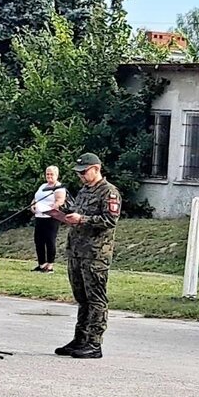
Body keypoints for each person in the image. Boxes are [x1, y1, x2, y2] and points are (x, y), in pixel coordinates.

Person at [54, 153, 121, 359]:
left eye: (84, 172)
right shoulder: (84, 190)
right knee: (81, 298)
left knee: (96, 299)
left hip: (95, 253)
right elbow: (77, 211)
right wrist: (63, 210)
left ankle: (94, 343)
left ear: (96, 169)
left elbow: (110, 220)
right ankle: (80, 339)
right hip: (77, 251)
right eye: (79, 173)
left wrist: (81, 219)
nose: (81, 176)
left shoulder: (109, 192)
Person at [30, 165, 67, 274]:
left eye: (51, 174)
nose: (49, 176)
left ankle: (50, 265)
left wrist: (51, 208)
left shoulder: (59, 187)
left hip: (51, 217)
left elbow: (60, 201)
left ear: (57, 175)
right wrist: (33, 205)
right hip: (39, 216)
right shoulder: (43, 186)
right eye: (47, 174)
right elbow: (36, 198)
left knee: (50, 240)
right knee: (38, 240)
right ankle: (41, 264)